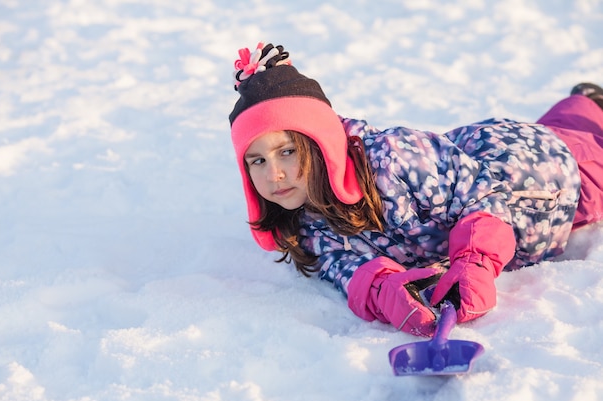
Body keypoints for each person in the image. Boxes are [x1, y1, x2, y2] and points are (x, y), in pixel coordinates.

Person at [228, 42, 603, 336]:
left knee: (586, 152)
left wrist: (475, 261)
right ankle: (586, 103)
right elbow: (345, 268)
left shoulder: (391, 157)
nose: (274, 173)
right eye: (257, 160)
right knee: (573, 124)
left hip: (542, 179)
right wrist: (382, 291)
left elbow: (482, 195)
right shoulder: (306, 225)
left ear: (319, 143)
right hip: (487, 150)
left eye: (287, 151)